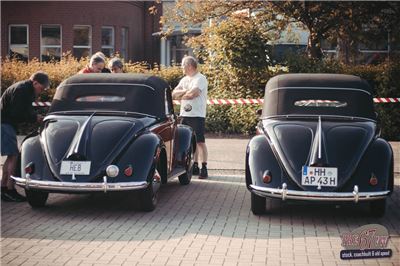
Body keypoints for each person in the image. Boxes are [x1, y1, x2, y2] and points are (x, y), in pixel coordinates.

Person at [1, 71, 49, 202]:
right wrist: (35, 118)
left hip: (5, 123)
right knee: (14, 156)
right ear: (35, 82)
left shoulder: (23, 88)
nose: (41, 91)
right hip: (5, 124)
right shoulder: (22, 91)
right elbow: (18, 113)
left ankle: (4, 188)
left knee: (11, 156)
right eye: (41, 88)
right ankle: (9, 190)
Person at [172, 56, 209, 179]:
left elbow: (193, 94)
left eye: (183, 65)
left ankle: (204, 167)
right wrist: (186, 92)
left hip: (197, 115)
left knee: (200, 142)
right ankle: (195, 166)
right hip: (184, 114)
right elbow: (173, 94)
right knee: (189, 142)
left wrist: (184, 93)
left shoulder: (201, 78)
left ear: (189, 66)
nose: (182, 67)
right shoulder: (184, 80)